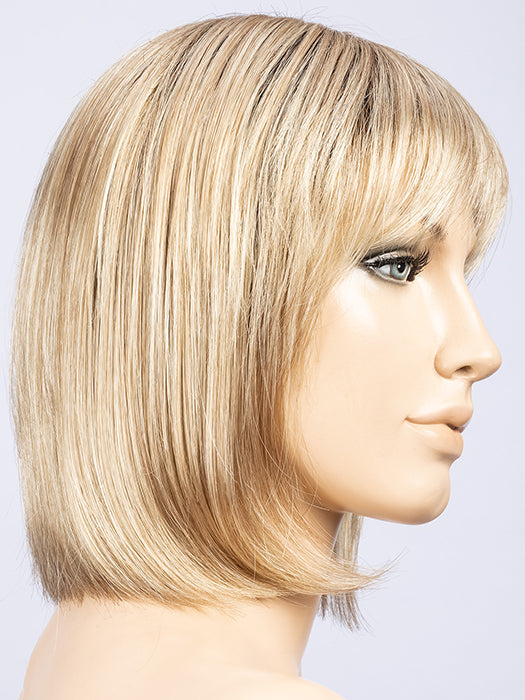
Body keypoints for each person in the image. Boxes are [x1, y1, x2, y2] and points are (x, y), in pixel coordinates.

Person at [10, 12, 508, 700]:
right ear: (212, 292)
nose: (479, 351)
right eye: (396, 265)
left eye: (463, 271)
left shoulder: (67, 661)